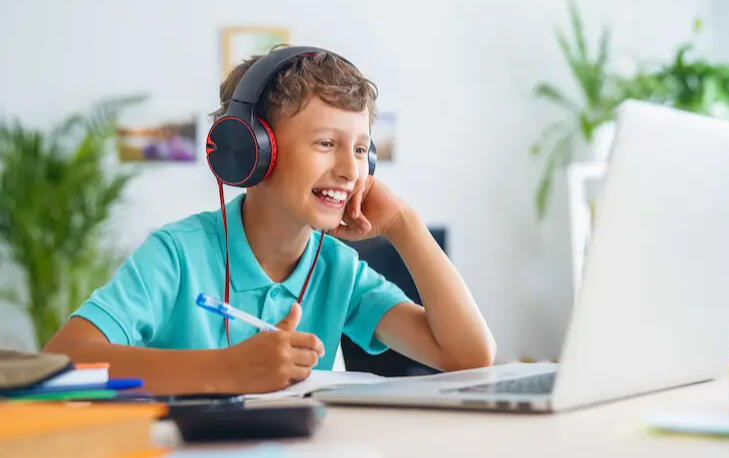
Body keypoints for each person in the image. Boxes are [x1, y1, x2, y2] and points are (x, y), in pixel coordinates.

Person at [44, 46, 496, 395]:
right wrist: (226, 371)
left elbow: (469, 356)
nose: (351, 170)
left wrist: (403, 223)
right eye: (325, 143)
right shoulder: (177, 255)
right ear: (253, 152)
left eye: (361, 149)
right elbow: (64, 358)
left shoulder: (337, 268)